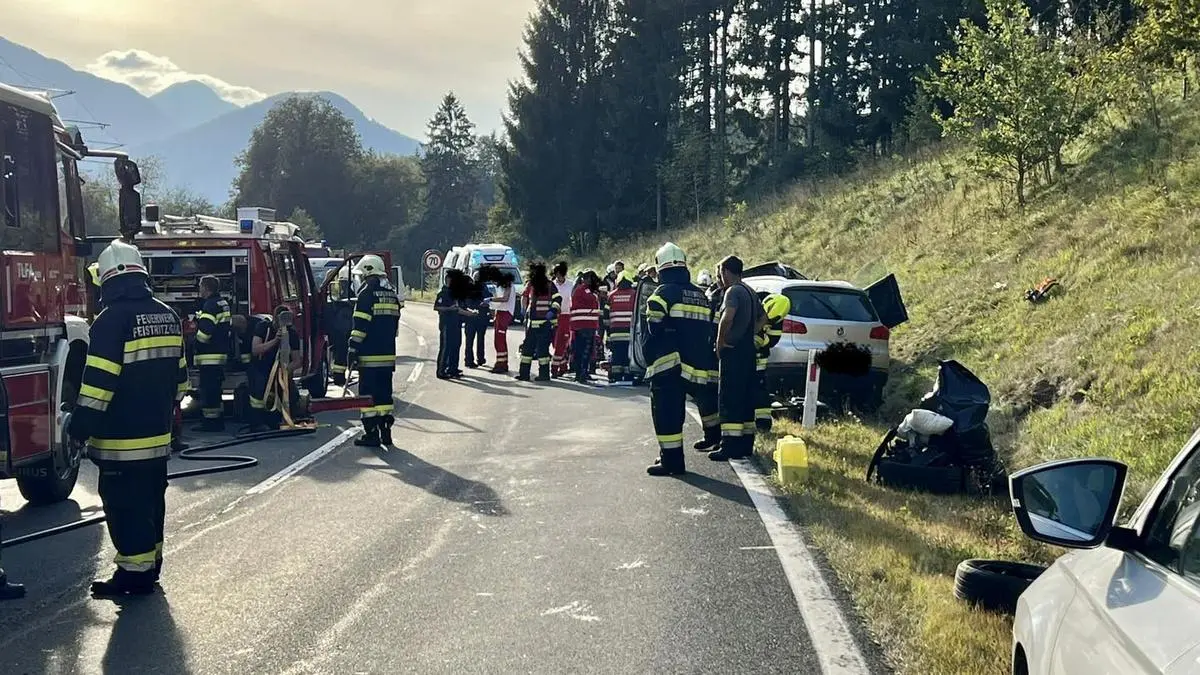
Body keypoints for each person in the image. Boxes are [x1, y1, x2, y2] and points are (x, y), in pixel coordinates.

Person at [67, 240, 187, 596]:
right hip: (158, 439)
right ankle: (150, 567)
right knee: (152, 502)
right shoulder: (168, 314)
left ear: (106, 281)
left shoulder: (109, 321)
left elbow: (98, 387)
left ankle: (134, 575)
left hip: (120, 442)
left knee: (125, 505)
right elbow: (181, 383)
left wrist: (78, 426)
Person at [641, 243, 719, 476]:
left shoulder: (663, 293)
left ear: (660, 267)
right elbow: (709, 328)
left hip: (669, 366)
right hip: (698, 365)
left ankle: (672, 461)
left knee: (667, 414)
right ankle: (714, 438)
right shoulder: (699, 294)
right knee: (704, 403)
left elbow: (653, 324)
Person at [710, 255, 766, 462]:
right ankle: (744, 445)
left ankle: (729, 446)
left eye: (720, 273)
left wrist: (720, 341)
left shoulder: (733, 291)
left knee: (730, 398)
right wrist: (750, 332)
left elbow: (728, 316)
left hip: (733, 351)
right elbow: (764, 317)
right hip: (748, 351)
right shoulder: (750, 292)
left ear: (725, 272)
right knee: (745, 398)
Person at [347, 255, 402, 447]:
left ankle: (371, 434)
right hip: (387, 356)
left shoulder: (366, 295)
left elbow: (360, 326)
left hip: (369, 356)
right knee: (384, 396)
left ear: (367, 273)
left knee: (368, 396)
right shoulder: (392, 295)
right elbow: (394, 325)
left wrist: (352, 348)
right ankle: (385, 432)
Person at [246, 306, 303, 433]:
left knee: (292, 396)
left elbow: (297, 360)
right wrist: (275, 340)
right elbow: (255, 350)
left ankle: (282, 417)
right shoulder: (263, 328)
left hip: (281, 371)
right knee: (259, 394)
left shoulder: (292, 333)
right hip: (260, 368)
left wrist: (286, 371)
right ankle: (257, 423)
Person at [192, 275, 231, 432]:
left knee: (208, 391)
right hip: (219, 354)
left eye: (200, 286)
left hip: (209, 357)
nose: (199, 289)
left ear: (206, 288)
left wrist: (192, 342)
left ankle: (210, 424)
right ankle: (217, 421)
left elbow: (204, 335)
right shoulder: (222, 303)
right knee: (215, 390)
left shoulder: (209, 306)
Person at [518, 262, 561, 382]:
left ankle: (543, 375)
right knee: (527, 350)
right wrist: (524, 310)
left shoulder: (549, 285)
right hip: (534, 323)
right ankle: (524, 374)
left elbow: (558, 299)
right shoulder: (531, 285)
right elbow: (525, 297)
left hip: (544, 323)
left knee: (542, 351)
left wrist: (552, 311)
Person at [754, 294, 790, 432]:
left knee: (760, 392)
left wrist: (758, 337)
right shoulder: (755, 306)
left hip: (760, 360)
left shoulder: (777, 319)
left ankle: (763, 424)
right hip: (745, 359)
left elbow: (772, 341)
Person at [435, 270, 477, 379]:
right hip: (446, 324)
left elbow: (460, 308)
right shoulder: (443, 293)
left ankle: (453, 369)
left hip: (456, 323)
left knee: (456, 345)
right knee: (446, 347)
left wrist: (470, 312)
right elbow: (437, 307)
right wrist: (449, 309)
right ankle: (441, 370)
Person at [604, 269, 637, 383]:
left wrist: (608, 335)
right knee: (628, 356)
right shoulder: (634, 295)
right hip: (630, 333)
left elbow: (606, 317)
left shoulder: (611, 295)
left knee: (617, 356)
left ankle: (617, 376)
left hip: (615, 334)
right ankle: (629, 376)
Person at [570, 270, 602, 383]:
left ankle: (582, 373)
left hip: (584, 325)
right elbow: (591, 301)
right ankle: (581, 373)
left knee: (582, 350)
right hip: (584, 325)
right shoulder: (584, 290)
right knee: (584, 351)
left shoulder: (583, 290)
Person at [550, 262, 575, 377]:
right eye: (557, 274)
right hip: (554, 316)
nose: (558, 277)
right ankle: (563, 365)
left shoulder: (571, 285)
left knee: (562, 343)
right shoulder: (551, 285)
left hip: (566, 316)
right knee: (555, 343)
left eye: (560, 274)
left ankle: (555, 368)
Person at [489, 271, 517, 374]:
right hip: (500, 313)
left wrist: (491, 299)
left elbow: (505, 299)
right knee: (498, 340)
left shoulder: (507, 284)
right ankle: (502, 363)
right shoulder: (501, 285)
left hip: (505, 314)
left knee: (500, 340)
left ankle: (501, 364)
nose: (493, 283)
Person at [463, 271, 490, 369]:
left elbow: (488, 299)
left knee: (472, 339)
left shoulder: (475, 287)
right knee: (477, 339)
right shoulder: (481, 287)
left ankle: (473, 359)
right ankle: (475, 359)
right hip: (475, 316)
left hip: (474, 316)